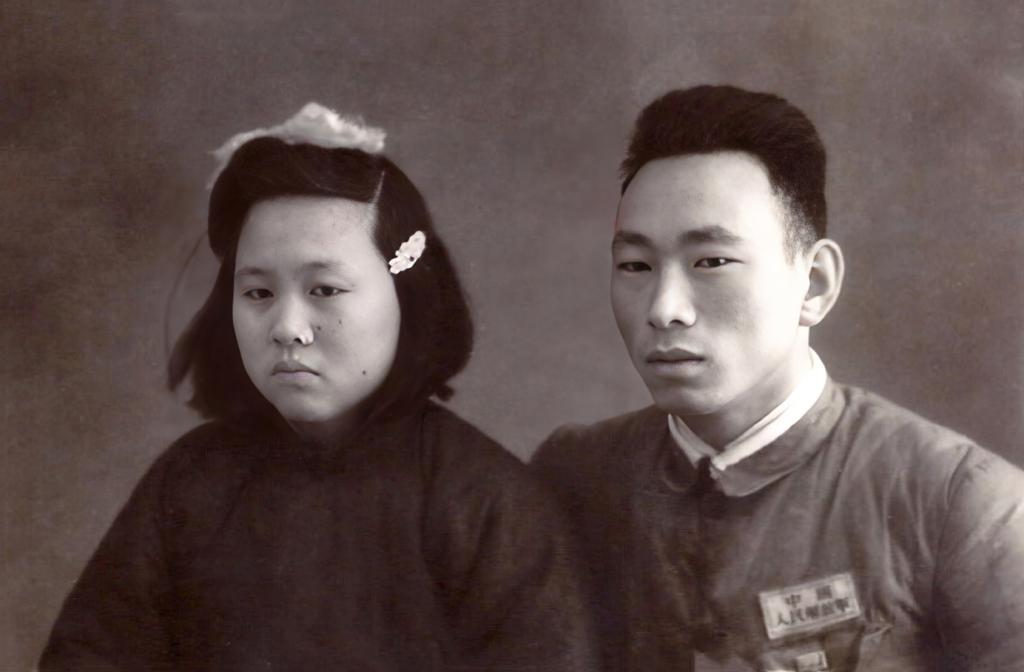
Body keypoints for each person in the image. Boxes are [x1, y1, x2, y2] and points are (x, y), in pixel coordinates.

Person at [40, 103, 593, 671]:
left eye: (325, 290)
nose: (286, 328)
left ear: (406, 295)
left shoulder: (484, 501)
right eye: (258, 293)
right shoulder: (190, 483)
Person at [532, 85, 1024, 671]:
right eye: (635, 265)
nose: (664, 309)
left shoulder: (957, 502)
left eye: (712, 262)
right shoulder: (571, 480)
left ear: (814, 283)